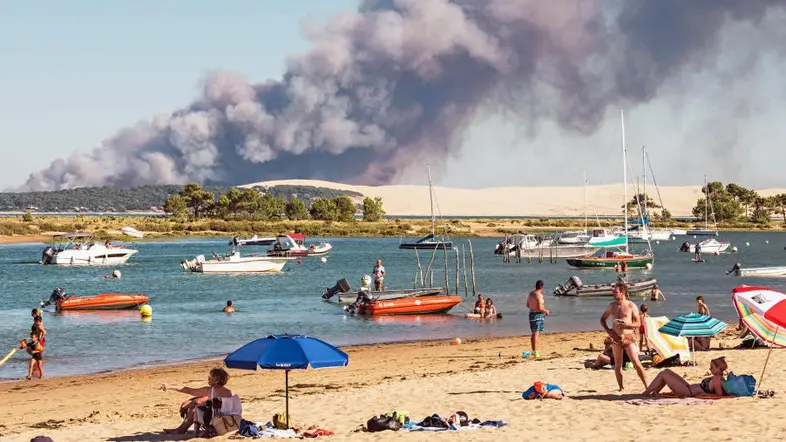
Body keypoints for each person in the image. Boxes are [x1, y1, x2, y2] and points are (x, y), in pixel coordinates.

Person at [600, 282, 648, 390]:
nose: (613, 293)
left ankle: (647, 386)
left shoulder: (631, 305)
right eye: (613, 292)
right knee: (617, 363)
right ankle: (621, 387)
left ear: (622, 293)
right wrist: (608, 330)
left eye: (616, 292)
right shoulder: (612, 306)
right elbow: (602, 319)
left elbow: (638, 323)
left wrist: (627, 325)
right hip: (615, 338)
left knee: (636, 362)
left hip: (628, 337)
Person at [161, 367, 234, 435]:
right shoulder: (227, 391)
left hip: (214, 425)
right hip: (226, 424)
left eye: (211, 376)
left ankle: (181, 430)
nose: (208, 377)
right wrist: (192, 401)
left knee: (195, 408)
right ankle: (181, 429)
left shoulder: (209, 390)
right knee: (198, 405)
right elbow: (209, 399)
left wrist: (170, 387)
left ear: (217, 380)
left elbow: (189, 391)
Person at [642, 357, 728, 397]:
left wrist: (704, 394)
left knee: (663, 374)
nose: (710, 369)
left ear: (719, 368)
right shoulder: (718, 378)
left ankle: (645, 394)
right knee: (666, 371)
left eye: (712, 367)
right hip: (688, 387)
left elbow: (718, 395)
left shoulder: (717, 379)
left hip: (688, 392)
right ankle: (654, 392)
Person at [527, 280, 549, 358]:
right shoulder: (539, 295)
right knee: (536, 334)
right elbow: (540, 307)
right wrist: (546, 310)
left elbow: (528, 305)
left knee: (534, 333)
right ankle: (535, 351)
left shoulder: (531, 294)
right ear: (542, 287)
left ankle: (534, 350)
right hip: (537, 315)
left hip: (531, 314)